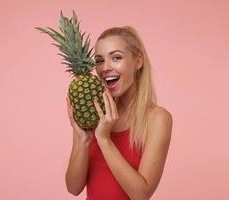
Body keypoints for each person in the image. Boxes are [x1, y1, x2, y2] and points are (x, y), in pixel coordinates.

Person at [65, 26, 173, 200]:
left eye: (116, 58)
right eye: (99, 60)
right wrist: (83, 140)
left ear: (138, 61)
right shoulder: (92, 113)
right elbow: (73, 187)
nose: (106, 67)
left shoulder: (158, 118)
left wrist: (104, 139)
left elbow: (141, 195)